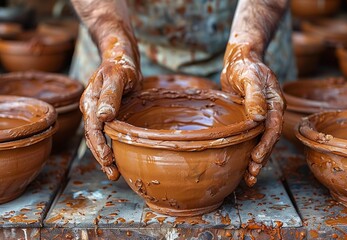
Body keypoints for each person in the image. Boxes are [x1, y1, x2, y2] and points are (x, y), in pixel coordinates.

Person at [70, 0, 292, 187]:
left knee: (268, 144)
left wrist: (247, 50)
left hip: (249, 30)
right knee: (103, 132)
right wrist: (115, 48)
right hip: (120, 32)